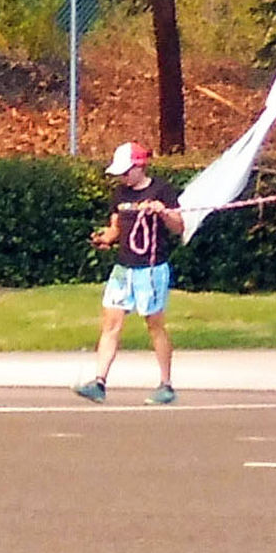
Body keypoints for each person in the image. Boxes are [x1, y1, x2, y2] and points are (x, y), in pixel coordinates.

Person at [76, 141, 185, 405]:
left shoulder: (162, 190)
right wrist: (105, 238)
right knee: (111, 324)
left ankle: (166, 384)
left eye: (126, 172)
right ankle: (99, 381)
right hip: (123, 269)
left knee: (154, 325)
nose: (123, 178)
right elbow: (116, 228)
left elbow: (178, 226)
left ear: (140, 166)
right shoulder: (120, 195)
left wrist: (163, 212)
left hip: (150, 268)